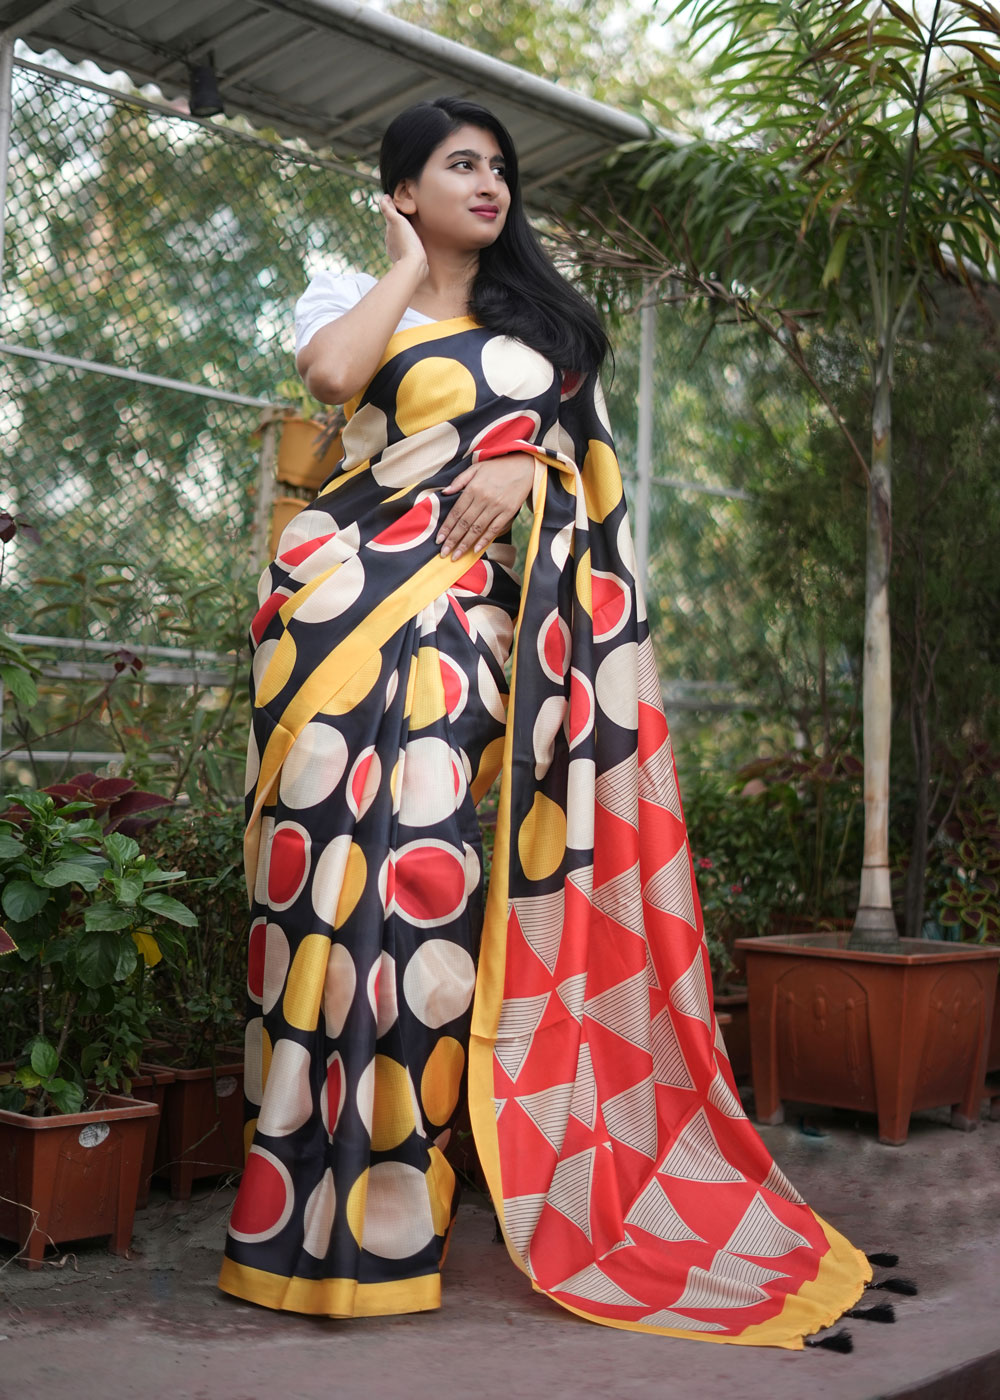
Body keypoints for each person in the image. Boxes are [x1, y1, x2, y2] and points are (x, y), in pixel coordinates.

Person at [218, 96, 872, 1348]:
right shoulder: (349, 295)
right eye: (459, 165)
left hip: (463, 620)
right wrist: (402, 265)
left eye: (500, 168)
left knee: (414, 890)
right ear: (401, 190)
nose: (491, 183)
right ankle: (292, 1209)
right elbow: (334, 380)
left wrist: (534, 464)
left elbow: (583, 478)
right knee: (315, 897)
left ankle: (389, 1211)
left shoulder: (545, 335)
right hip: (330, 618)